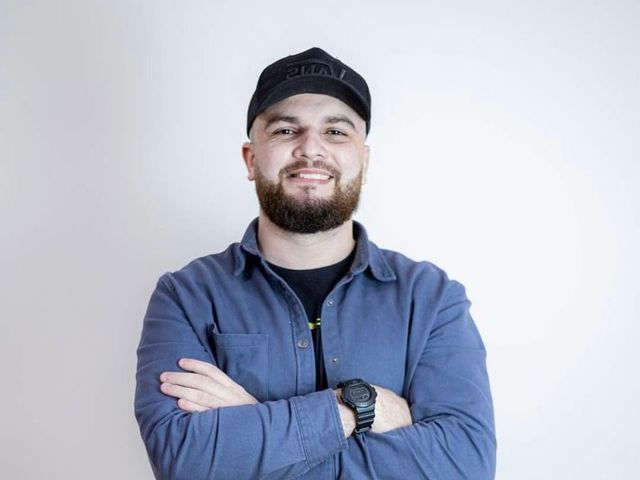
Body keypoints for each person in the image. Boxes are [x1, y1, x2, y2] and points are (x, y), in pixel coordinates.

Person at [134, 47, 496, 479]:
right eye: (286, 130)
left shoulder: (432, 300)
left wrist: (254, 424)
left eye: (336, 132)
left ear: (364, 160)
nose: (311, 149)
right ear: (251, 158)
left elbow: (465, 467)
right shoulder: (186, 296)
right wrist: (359, 408)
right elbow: (185, 464)